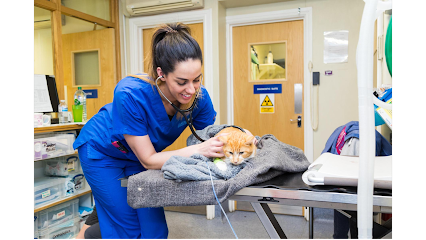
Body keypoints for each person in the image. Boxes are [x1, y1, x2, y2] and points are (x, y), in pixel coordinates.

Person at [73, 22, 229, 239]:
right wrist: (201, 150)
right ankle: (91, 233)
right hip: (103, 152)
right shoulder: (130, 93)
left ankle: (92, 230)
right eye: (182, 81)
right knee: (127, 230)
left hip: (139, 155)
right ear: (161, 73)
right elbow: (149, 160)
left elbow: (206, 139)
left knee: (154, 230)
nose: (191, 89)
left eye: (197, 79)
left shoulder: (199, 98)